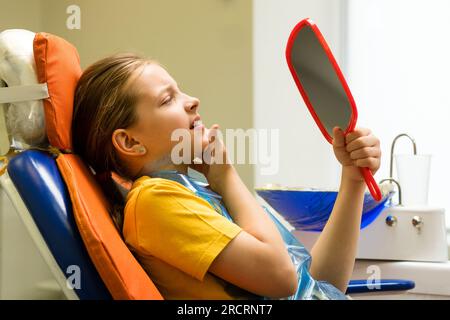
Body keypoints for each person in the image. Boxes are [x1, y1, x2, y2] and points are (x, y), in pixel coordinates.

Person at [72, 53, 381, 300]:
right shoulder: (154, 201)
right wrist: (227, 176)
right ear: (130, 142)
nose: (192, 100)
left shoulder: (194, 192)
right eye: (167, 100)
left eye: (180, 91)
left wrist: (352, 181)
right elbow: (283, 279)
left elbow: (315, 287)